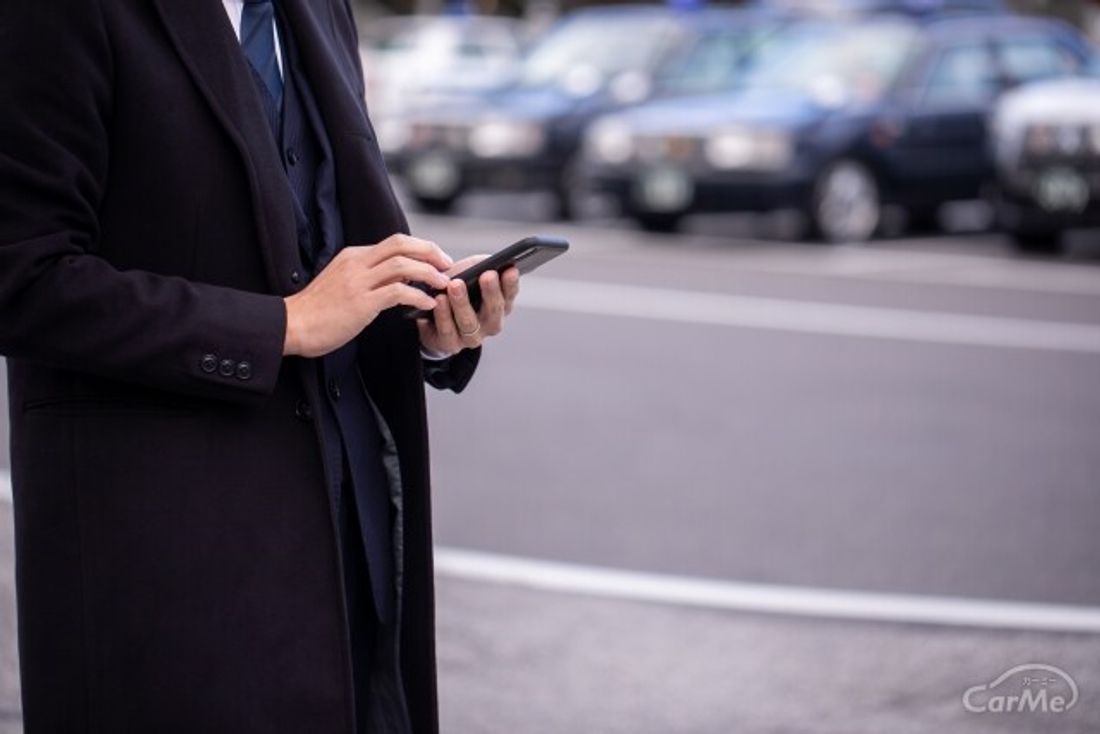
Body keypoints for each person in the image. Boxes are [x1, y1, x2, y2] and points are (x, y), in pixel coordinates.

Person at [0, 0, 520, 731]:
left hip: (355, 544)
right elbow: (21, 276)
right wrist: (281, 325)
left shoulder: (318, 10)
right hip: (170, 569)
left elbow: (318, 238)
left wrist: (428, 321)